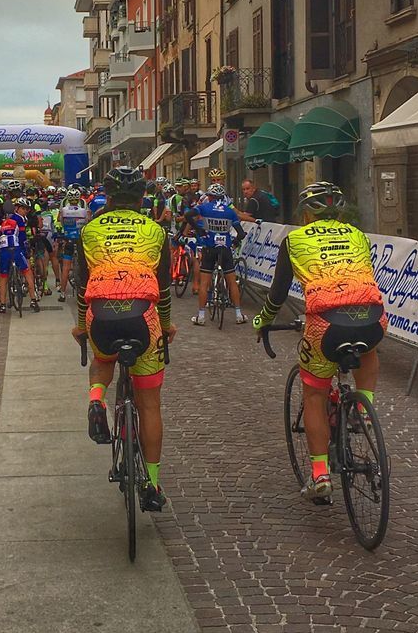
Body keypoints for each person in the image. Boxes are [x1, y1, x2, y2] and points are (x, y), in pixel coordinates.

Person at [254, 181, 387, 503]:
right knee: (368, 352)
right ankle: (363, 407)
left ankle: (319, 474)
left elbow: (278, 292)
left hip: (326, 323)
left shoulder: (294, 240)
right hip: (372, 316)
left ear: (306, 214)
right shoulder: (358, 236)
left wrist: (264, 320)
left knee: (314, 394)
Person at [72, 165, 174, 511]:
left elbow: (80, 284)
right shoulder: (157, 230)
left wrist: (82, 327)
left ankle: (97, 400)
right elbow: (164, 289)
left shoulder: (89, 230)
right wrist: (167, 325)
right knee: (149, 405)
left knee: (103, 362)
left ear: (108, 197)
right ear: (143, 198)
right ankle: (153, 484)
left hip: (100, 313)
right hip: (143, 315)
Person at [186, 181, 246, 325]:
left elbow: (188, 215)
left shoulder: (204, 207)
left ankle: (201, 316)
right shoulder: (229, 211)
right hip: (225, 248)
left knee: (204, 283)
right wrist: (236, 241)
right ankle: (238, 314)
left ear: (210, 196)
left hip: (209, 247)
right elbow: (241, 233)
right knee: (232, 282)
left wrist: (198, 229)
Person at [0, 197, 38, 312]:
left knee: (3, 277)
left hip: (4, 251)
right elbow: (22, 239)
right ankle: (33, 301)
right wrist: (27, 253)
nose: (26, 211)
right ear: (17, 208)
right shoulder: (20, 220)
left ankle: (3, 304)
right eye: (24, 208)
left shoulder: (6, 220)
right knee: (28, 272)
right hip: (16, 250)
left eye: (27, 209)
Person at [56, 185, 88, 302]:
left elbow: (61, 221)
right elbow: (87, 220)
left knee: (65, 268)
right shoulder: (83, 207)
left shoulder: (64, 209)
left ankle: (63, 293)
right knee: (85, 266)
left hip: (68, 238)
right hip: (80, 239)